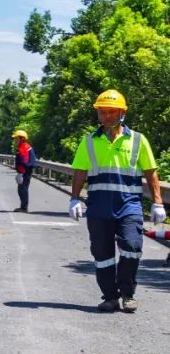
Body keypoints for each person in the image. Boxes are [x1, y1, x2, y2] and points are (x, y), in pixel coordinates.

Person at [68, 89, 164, 313]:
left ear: (122, 113)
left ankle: (128, 294)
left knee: (132, 247)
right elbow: (80, 172)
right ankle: (110, 297)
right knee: (102, 255)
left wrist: (158, 202)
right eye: (103, 112)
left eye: (111, 112)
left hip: (129, 205)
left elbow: (151, 172)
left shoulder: (138, 140)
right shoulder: (89, 141)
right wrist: (74, 199)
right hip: (98, 207)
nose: (107, 116)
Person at [12, 129, 37, 212]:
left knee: (24, 189)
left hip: (26, 172)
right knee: (20, 189)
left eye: (16, 138)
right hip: (21, 172)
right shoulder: (21, 147)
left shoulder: (27, 148)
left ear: (21, 138)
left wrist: (24, 169)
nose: (15, 140)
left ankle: (24, 208)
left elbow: (32, 162)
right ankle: (22, 206)